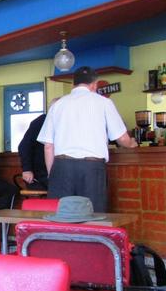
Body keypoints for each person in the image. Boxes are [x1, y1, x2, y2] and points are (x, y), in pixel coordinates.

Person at [37, 66, 138, 212]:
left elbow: (48, 146)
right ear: (94, 85)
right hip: (91, 168)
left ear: (73, 84)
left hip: (62, 167)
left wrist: (52, 174)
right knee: (93, 215)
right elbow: (122, 138)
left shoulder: (58, 105)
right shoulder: (104, 102)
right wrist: (131, 144)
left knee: (62, 216)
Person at [17, 113, 48, 191]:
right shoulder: (42, 121)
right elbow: (24, 146)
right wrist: (27, 169)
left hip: (53, 172)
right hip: (39, 174)